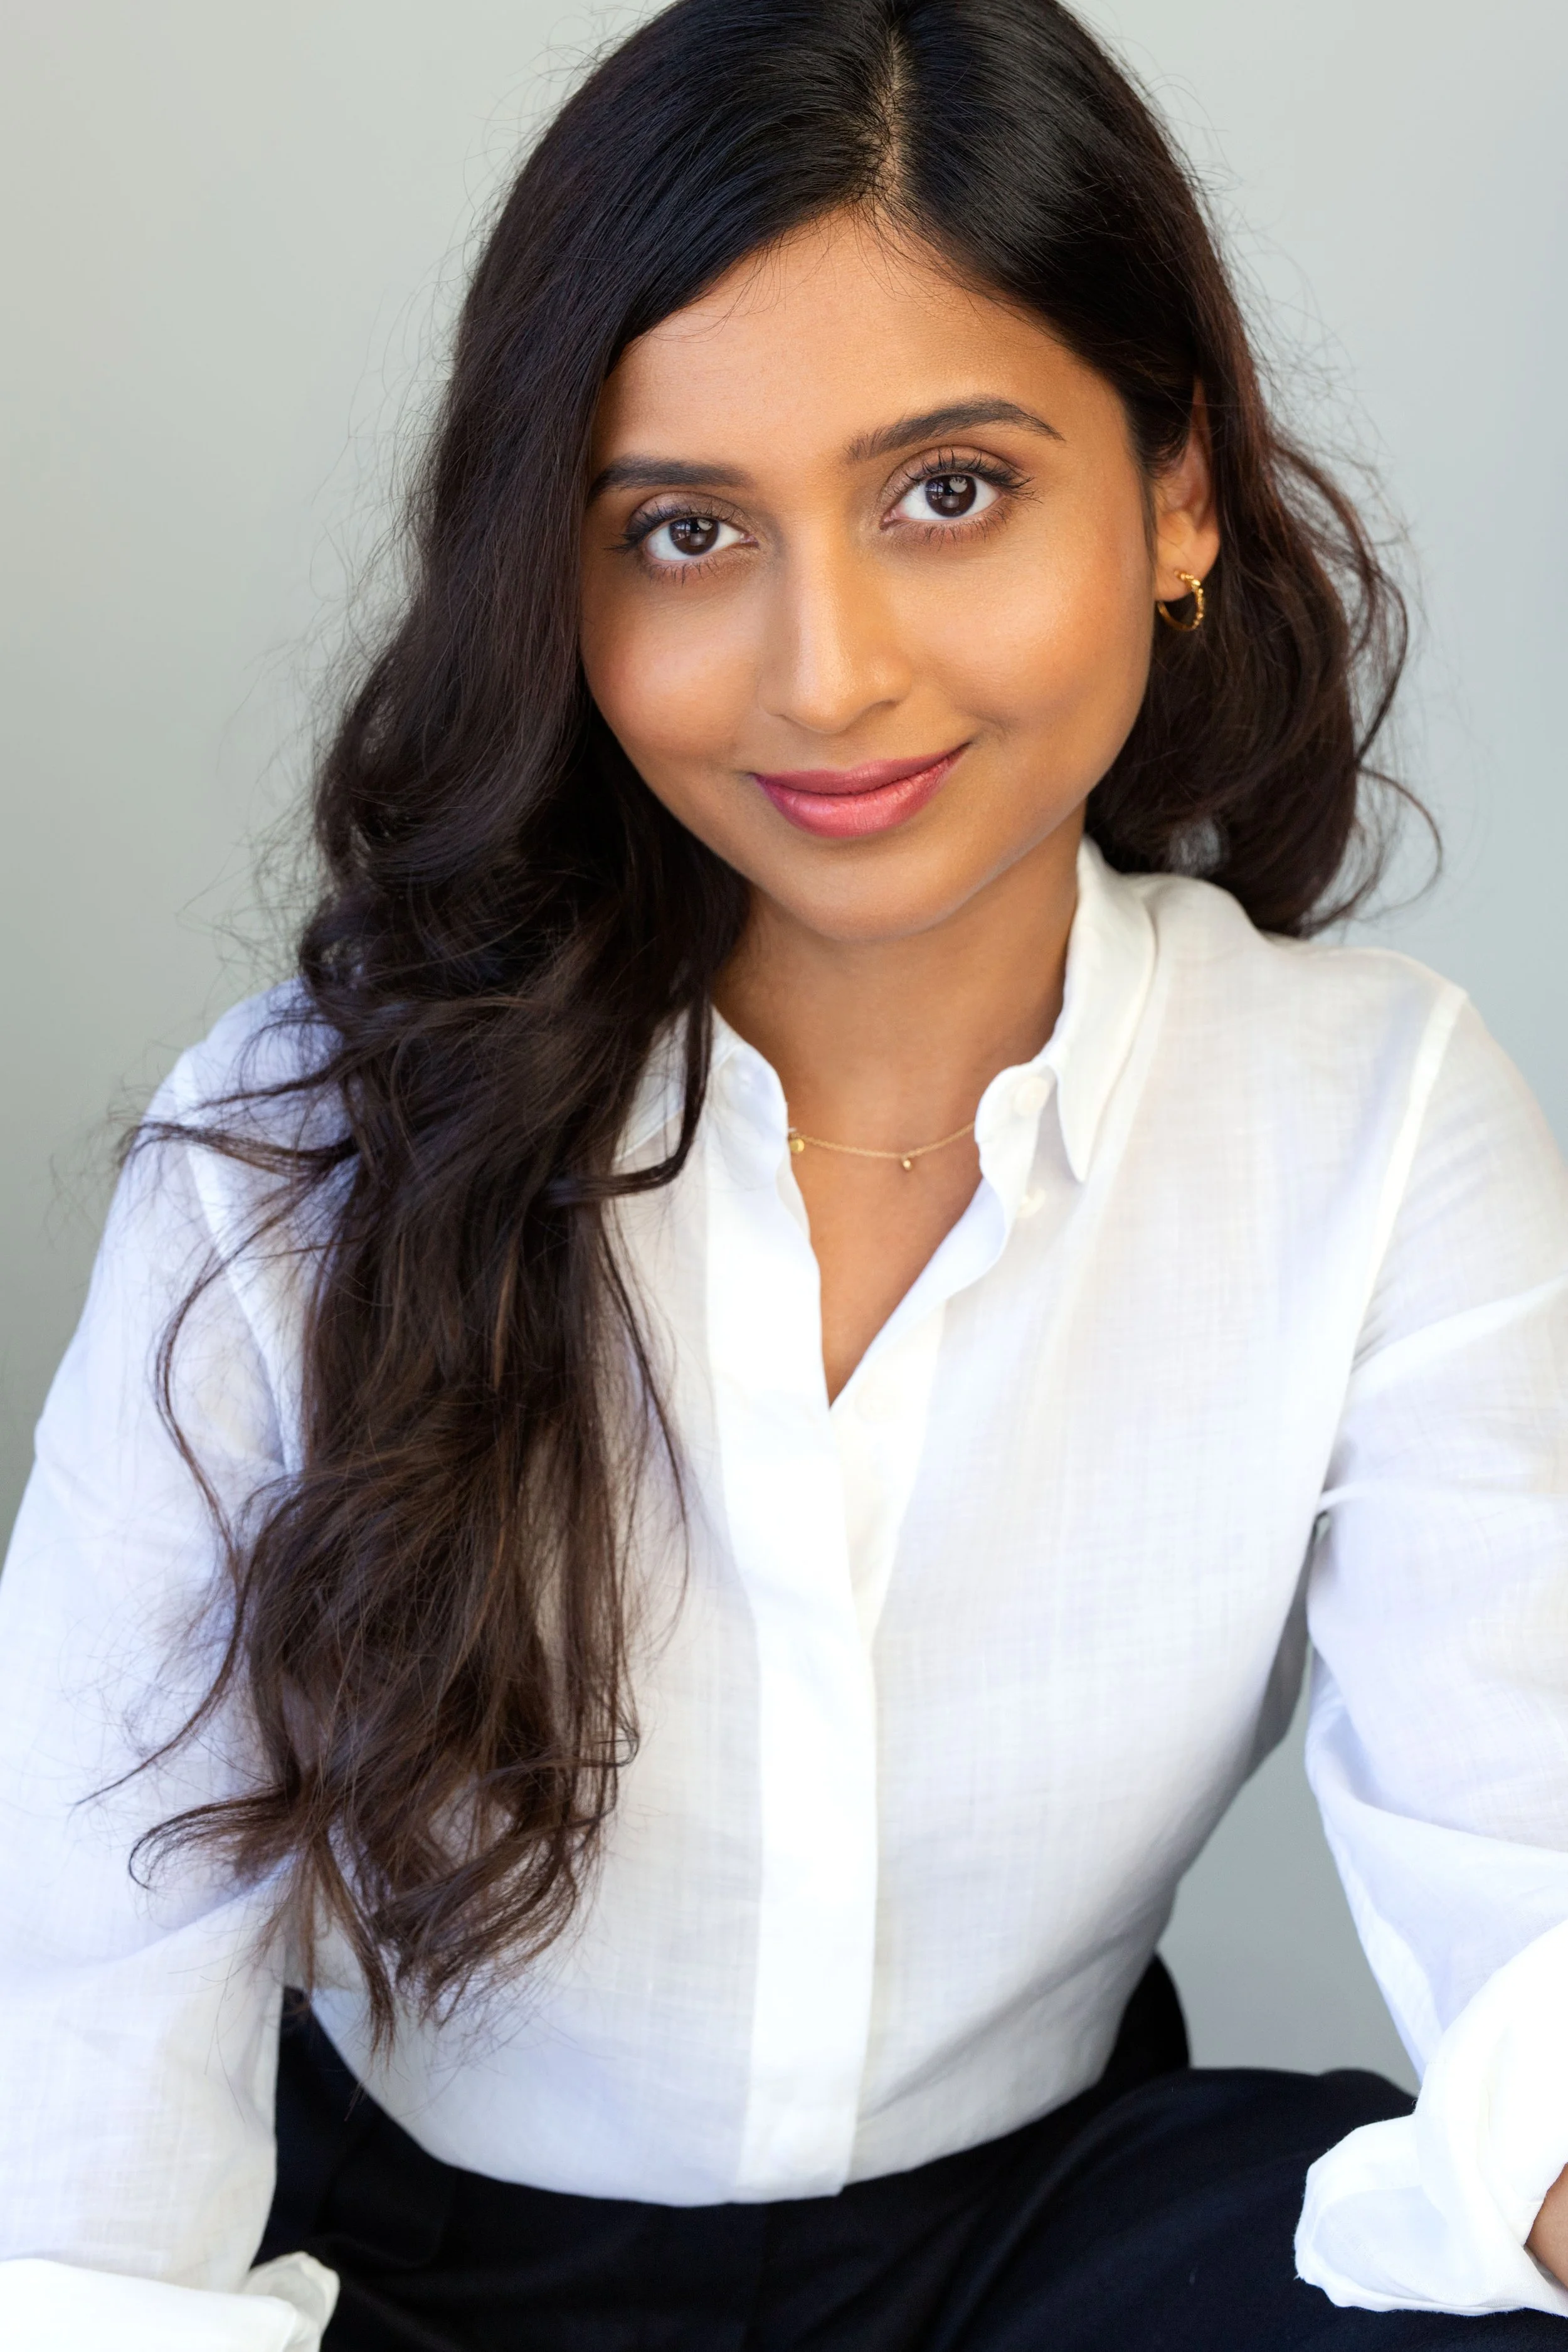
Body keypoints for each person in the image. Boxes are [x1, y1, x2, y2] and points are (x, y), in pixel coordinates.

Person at [3, 0, 1567, 2344]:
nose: (823, 675)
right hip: (417, 2276)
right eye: (684, 529)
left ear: (1174, 494)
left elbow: (1529, 1878)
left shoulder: (1365, 1112)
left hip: (1048, 2257)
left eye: (949, 489)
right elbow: (81, 2052)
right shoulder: (294, 1156)